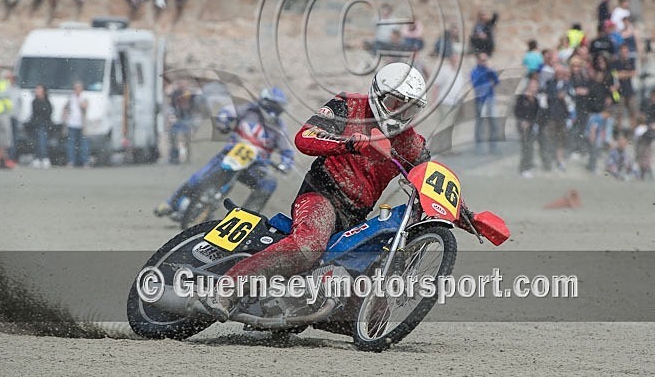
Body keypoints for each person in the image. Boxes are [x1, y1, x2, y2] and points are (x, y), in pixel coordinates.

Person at [195, 63, 499, 320]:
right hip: (321, 195)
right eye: (395, 103)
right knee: (308, 246)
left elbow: (431, 183)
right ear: (379, 94)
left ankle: (293, 310)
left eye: (410, 108)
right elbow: (304, 138)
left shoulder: (409, 142)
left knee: (371, 313)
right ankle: (226, 290)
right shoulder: (348, 105)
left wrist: (468, 216)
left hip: (357, 219)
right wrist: (353, 142)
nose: (401, 113)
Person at [155, 87, 295, 221]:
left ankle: (245, 217)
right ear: (264, 101)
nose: (273, 109)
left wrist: (285, 164)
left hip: (256, 165)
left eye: (277, 106)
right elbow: (226, 112)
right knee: (199, 178)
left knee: (269, 182)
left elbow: (287, 151)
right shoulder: (247, 110)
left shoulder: (279, 127)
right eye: (272, 104)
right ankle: (170, 203)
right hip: (231, 153)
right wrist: (223, 123)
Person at [470, 52, 499, 153]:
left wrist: (490, 71)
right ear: (478, 61)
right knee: (480, 123)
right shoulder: (475, 71)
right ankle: (479, 146)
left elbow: (496, 81)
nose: (484, 62)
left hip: (490, 99)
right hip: (480, 100)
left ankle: (493, 146)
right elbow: (476, 85)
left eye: (485, 60)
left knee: (493, 123)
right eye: (482, 60)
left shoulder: (489, 70)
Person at [515, 76, 539, 178]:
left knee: (530, 146)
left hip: (532, 125)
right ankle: (523, 168)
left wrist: (532, 122)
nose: (534, 87)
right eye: (532, 85)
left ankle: (528, 165)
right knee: (526, 146)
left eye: (536, 86)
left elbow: (537, 113)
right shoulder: (521, 98)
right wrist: (522, 121)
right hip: (523, 125)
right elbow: (517, 111)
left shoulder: (536, 99)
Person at [63, 81, 89, 168]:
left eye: (78, 88)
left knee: (83, 144)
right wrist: (65, 119)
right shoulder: (71, 98)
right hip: (71, 124)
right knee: (71, 144)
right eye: (75, 88)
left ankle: (85, 162)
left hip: (81, 124)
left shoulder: (84, 97)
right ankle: (71, 161)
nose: (77, 90)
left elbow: (85, 106)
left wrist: (80, 102)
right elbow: (65, 108)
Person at [28, 84, 53, 168]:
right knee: (37, 142)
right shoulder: (35, 101)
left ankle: (44, 158)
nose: (37, 91)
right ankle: (37, 158)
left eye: (39, 89)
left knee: (42, 142)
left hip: (43, 125)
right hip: (36, 125)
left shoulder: (46, 101)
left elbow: (47, 113)